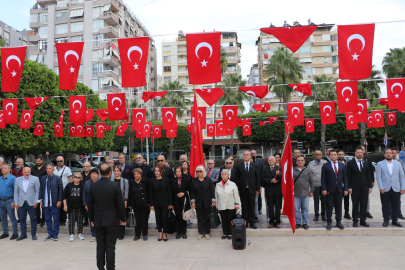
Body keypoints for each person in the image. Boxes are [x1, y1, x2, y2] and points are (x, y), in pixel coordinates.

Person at [88, 163, 126, 270]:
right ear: (110, 172)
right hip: (112, 220)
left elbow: (90, 205)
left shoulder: (93, 186)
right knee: (110, 246)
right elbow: (120, 204)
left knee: (100, 245)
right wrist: (123, 219)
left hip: (98, 220)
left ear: (99, 173)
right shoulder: (114, 186)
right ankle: (110, 268)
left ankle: (100, 267)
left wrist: (91, 219)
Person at [376, 149, 405, 227]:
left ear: (393, 154)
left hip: (396, 188)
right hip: (385, 188)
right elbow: (378, 177)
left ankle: (395, 220)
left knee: (395, 205)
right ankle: (386, 220)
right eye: (387, 153)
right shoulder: (380, 164)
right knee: (385, 205)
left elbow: (402, 176)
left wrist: (403, 187)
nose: (388, 154)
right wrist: (381, 187)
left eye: (390, 153)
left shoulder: (398, 164)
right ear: (384, 154)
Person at [346, 146, 373, 227]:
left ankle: (363, 220)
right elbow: (348, 176)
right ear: (355, 153)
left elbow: (369, 175)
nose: (359, 154)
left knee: (364, 205)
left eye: (361, 153)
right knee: (355, 205)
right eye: (358, 152)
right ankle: (355, 220)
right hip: (354, 189)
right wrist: (349, 187)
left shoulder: (366, 163)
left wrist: (370, 187)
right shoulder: (350, 163)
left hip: (364, 188)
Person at [321, 150, 348, 230]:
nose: (333, 156)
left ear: (337, 156)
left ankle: (338, 222)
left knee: (339, 207)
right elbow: (323, 178)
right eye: (331, 155)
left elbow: (345, 178)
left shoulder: (342, 165)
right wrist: (324, 188)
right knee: (329, 206)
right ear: (329, 156)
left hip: (339, 189)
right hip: (329, 190)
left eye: (334, 154)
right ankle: (329, 222)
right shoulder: (326, 165)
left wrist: (346, 188)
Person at [234, 151, 260, 229]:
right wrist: (237, 189)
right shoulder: (239, 166)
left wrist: (257, 189)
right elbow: (237, 178)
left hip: (252, 189)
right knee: (244, 206)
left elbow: (257, 178)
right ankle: (245, 222)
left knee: (252, 206)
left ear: (250, 156)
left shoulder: (255, 166)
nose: (245, 156)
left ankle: (252, 222)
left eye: (247, 155)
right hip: (243, 190)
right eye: (244, 155)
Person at [14, 167, 40, 241]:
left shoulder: (35, 179)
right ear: (22, 172)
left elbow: (37, 191)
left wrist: (36, 201)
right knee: (22, 219)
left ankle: (33, 234)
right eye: (25, 172)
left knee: (33, 219)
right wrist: (16, 203)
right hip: (21, 203)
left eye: (28, 172)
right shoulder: (17, 180)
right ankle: (23, 234)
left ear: (30, 172)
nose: (27, 173)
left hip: (31, 203)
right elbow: (16, 192)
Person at [191, 165, 216, 240]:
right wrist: (193, 202)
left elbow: (212, 190)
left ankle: (207, 233)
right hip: (198, 202)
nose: (199, 173)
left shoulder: (208, 179)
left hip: (207, 202)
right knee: (200, 218)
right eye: (197, 171)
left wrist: (213, 200)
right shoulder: (194, 180)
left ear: (203, 172)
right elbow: (192, 192)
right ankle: (201, 232)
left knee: (207, 218)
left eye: (200, 171)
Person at [149, 165, 173, 241]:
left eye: (158, 171)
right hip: (156, 202)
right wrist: (151, 204)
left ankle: (164, 233)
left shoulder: (166, 180)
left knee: (164, 217)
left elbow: (169, 191)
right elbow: (151, 193)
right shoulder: (152, 180)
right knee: (158, 218)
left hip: (165, 201)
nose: (156, 172)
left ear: (161, 171)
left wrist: (170, 203)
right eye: (155, 171)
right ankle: (160, 232)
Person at [40, 164, 63, 241]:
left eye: (50, 168)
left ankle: (55, 234)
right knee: (47, 219)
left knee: (56, 219)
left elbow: (60, 191)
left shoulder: (58, 179)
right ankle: (50, 233)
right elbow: (41, 190)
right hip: (46, 203)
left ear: (53, 170)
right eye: (47, 168)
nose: (48, 170)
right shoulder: (43, 179)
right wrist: (40, 200)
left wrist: (59, 200)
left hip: (54, 203)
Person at [215, 169, 240, 239]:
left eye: (225, 174)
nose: (223, 175)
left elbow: (236, 195)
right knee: (223, 219)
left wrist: (237, 204)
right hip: (221, 205)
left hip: (230, 205)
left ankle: (230, 233)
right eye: (222, 174)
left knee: (230, 219)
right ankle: (225, 233)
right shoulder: (218, 185)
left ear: (228, 175)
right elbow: (216, 196)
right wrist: (216, 205)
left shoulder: (232, 184)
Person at [128, 168, 150, 241]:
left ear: (141, 174)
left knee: (144, 220)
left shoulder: (145, 181)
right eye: (135, 174)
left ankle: (144, 234)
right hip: (135, 205)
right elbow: (130, 194)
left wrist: (149, 203)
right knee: (137, 220)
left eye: (137, 174)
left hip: (144, 205)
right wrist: (130, 204)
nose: (136, 175)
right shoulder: (131, 182)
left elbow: (149, 192)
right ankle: (137, 235)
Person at [261, 156, 282, 228]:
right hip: (269, 191)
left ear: (275, 160)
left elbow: (282, 178)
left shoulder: (279, 168)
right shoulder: (264, 169)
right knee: (270, 207)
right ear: (267, 161)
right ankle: (271, 222)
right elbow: (263, 179)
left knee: (278, 207)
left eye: (272, 160)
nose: (271, 161)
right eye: (269, 160)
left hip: (278, 191)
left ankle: (278, 222)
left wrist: (279, 174)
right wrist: (271, 181)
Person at [63, 172, 85, 242]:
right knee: (71, 221)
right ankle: (71, 234)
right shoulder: (69, 186)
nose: (76, 178)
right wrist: (65, 205)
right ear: (73, 177)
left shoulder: (82, 186)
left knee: (80, 221)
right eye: (75, 177)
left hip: (80, 207)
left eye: (78, 177)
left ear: (80, 178)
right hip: (71, 207)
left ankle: (80, 233)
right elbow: (64, 196)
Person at [171, 166, 191, 239]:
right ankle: (178, 232)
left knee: (184, 217)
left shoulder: (186, 180)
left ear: (182, 172)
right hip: (176, 202)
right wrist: (171, 203)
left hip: (184, 202)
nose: (178, 173)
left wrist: (184, 193)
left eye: (179, 171)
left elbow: (190, 190)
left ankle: (184, 232)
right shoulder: (172, 181)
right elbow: (171, 192)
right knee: (178, 217)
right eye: (176, 171)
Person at [293, 156, 314, 230]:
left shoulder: (308, 170)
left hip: (305, 193)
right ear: (296, 162)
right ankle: (298, 223)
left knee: (305, 209)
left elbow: (312, 182)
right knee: (296, 209)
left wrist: (312, 191)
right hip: (296, 193)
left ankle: (305, 223)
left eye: (302, 160)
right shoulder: (293, 171)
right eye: (298, 160)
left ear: (304, 162)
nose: (300, 162)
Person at [308, 150, 327, 222]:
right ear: (314, 156)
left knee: (324, 201)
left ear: (322, 155)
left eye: (319, 154)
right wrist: (310, 188)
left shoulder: (325, 163)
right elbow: (309, 175)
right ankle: (316, 215)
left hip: (324, 186)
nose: (318, 156)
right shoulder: (311, 164)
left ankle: (323, 215)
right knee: (316, 201)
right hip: (315, 185)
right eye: (316, 154)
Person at [0, 164, 18, 240]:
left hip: (9, 201)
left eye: (5, 168)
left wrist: (14, 201)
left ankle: (15, 233)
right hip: (1, 201)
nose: (3, 169)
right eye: (2, 168)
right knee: (3, 218)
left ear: (9, 169)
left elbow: (16, 191)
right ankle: (5, 232)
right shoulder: (0, 178)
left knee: (12, 218)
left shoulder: (13, 178)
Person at [54, 156, 72, 227]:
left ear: (63, 161)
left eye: (60, 161)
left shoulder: (67, 169)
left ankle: (63, 220)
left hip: (64, 189)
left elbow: (70, 179)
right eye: (58, 161)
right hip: (55, 190)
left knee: (64, 205)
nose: (59, 162)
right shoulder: (54, 169)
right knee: (56, 205)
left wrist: (69, 189)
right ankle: (57, 219)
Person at [112, 166, 129, 240]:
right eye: (115, 171)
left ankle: (121, 234)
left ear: (120, 172)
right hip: (112, 202)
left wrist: (125, 201)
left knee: (122, 217)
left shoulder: (124, 181)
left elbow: (126, 191)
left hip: (121, 201)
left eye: (117, 171)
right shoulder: (111, 180)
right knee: (114, 218)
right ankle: (115, 233)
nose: (116, 172)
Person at [31, 154, 47, 227]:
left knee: (43, 204)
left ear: (42, 160)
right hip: (34, 189)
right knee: (36, 204)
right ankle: (37, 219)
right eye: (36, 161)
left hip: (43, 188)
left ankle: (43, 220)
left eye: (39, 161)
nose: (37, 162)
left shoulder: (46, 168)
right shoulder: (33, 168)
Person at [83, 168, 99, 242]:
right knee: (91, 220)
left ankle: (99, 235)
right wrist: (85, 204)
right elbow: (84, 194)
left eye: (94, 174)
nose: (93, 175)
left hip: (99, 205)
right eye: (91, 174)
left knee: (99, 220)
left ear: (97, 175)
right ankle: (94, 235)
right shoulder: (87, 183)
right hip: (90, 205)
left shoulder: (100, 182)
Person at [360, 145, 374, 219]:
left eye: (363, 150)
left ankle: (366, 211)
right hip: (358, 183)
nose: (361, 151)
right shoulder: (354, 160)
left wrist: (372, 180)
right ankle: (359, 211)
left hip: (366, 182)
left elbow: (371, 171)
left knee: (366, 197)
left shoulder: (368, 159)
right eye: (360, 150)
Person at [337, 149, 351, 220]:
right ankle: (338, 214)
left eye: (342, 154)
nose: (341, 156)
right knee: (337, 201)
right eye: (339, 154)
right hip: (337, 185)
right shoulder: (335, 164)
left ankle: (346, 213)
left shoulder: (347, 163)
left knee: (346, 200)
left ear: (344, 155)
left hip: (346, 185)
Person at [392, 149, 405, 220]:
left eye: (395, 153)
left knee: (398, 200)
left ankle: (399, 213)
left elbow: (402, 175)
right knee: (389, 201)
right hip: (389, 185)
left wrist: (403, 186)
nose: (394, 154)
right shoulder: (385, 163)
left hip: (397, 185)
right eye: (392, 153)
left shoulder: (400, 162)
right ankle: (390, 214)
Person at [81, 162, 92, 227]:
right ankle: (85, 220)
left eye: (87, 166)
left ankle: (91, 220)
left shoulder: (92, 174)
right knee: (84, 207)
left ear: (90, 167)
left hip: (90, 193)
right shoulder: (81, 175)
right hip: (83, 193)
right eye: (84, 166)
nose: (85, 167)